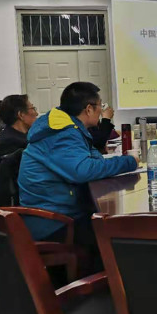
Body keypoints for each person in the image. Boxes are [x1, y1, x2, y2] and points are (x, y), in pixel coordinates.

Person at [18, 82, 137, 269]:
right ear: (89, 109)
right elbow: (84, 170)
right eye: (101, 106)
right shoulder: (61, 133)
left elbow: (94, 158)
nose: (102, 110)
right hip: (53, 221)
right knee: (119, 236)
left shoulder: (69, 127)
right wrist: (130, 161)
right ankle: (111, 282)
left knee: (114, 227)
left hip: (61, 209)